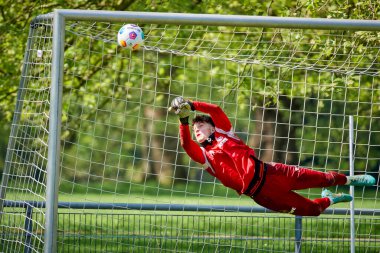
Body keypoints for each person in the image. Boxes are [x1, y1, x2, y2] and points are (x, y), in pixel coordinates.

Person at [169, 96, 376, 216]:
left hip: (272, 172)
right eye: (195, 128)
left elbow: (216, 109)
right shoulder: (205, 156)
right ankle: (330, 198)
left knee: (324, 178)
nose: (197, 130)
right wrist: (183, 121)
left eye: (201, 125)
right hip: (262, 195)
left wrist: (191, 104)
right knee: (312, 210)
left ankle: (350, 179)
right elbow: (186, 145)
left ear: (213, 127)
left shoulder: (225, 132)